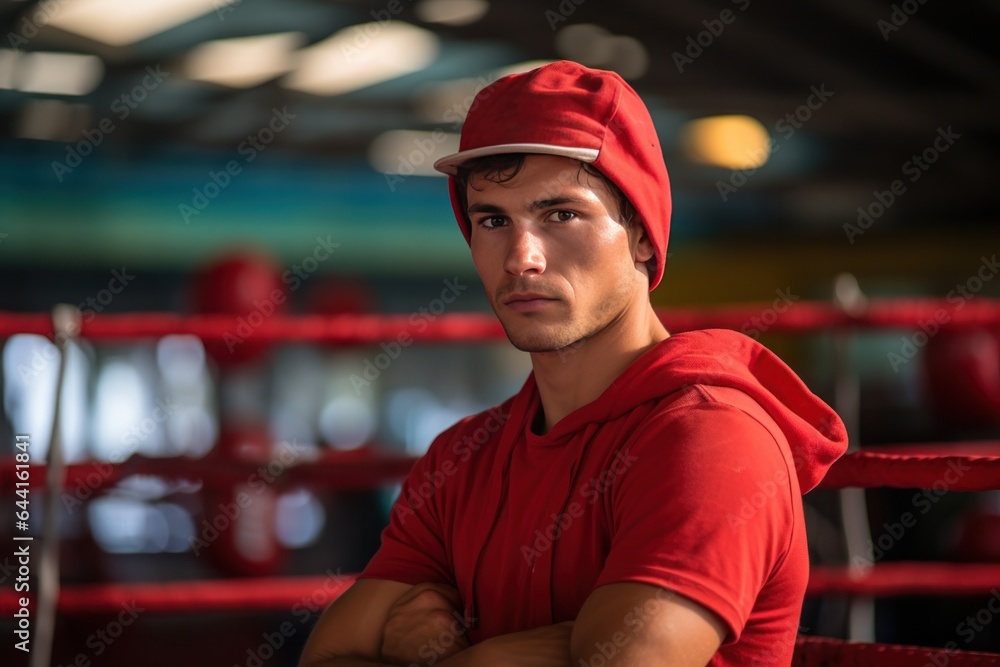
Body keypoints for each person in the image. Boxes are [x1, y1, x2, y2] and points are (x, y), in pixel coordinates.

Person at [299, 60, 847, 667]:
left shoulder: (710, 433)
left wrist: (457, 656)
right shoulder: (460, 458)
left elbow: (625, 661)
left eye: (561, 214)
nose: (521, 258)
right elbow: (327, 657)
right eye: (493, 220)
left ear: (641, 232)